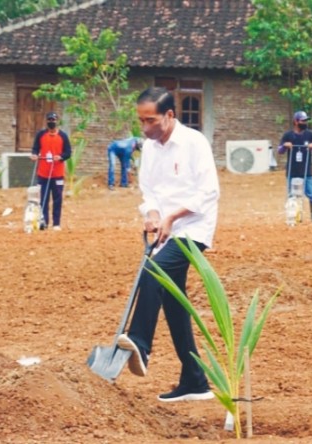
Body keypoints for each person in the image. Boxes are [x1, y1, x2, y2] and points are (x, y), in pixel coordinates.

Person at [116, 87, 220, 402]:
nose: (145, 128)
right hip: (166, 229)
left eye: (151, 121)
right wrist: (152, 215)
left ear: (169, 115)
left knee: (154, 273)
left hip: (194, 227)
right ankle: (195, 380)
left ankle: (140, 344)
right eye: (141, 121)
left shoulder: (194, 143)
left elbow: (207, 193)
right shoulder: (150, 147)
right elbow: (149, 191)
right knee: (175, 303)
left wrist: (172, 217)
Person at [30, 111, 72, 231]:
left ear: (57, 121)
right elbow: (35, 148)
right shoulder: (41, 135)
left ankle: (56, 224)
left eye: (53, 120)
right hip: (43, 173)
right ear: (46, 121)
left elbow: (68, 152)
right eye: (49, 120)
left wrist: (61, 157)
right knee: (43, 198)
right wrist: (34, 155)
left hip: (57, 174)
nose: (51, 122)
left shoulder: (63, 136)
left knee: (57, 199)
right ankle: (43, 222)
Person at [278, 110, 312, 222]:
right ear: (296, 122)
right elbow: (280, 150)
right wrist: (284, 146)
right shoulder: (288, 135)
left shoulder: (310, 134)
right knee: (292, 195)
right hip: (292, 171)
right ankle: (295, 216)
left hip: (307, 171)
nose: (305, 123)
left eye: (306, 121)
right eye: (303, 121)